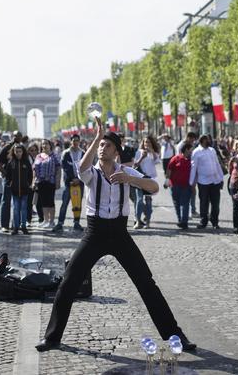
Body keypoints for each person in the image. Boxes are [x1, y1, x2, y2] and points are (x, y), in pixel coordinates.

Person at [36, 118, 196, 353]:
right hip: (95, 232)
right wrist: (97, 137)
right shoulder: (91, 173)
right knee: (68, 282)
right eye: (101, 145)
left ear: (117, 152)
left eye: (107, 145)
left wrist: (129, 179)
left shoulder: (126, 171)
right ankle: (52, 338)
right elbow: (81, 168)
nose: (103, 148)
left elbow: (154, 187)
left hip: (120, 234)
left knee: (147, 284)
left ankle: (176, 336)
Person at [190, 135, 225, 230]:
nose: (209, 141)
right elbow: (194, 168)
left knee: (215, 203)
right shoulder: (196, 152)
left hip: (215, 181)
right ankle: (203, 221)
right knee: (204, 203)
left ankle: (215, 222)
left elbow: (217, 164)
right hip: (203, 182)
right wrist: (191, 182)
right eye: (207, 140)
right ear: (202, 141)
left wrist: (221, 177)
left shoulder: (212, 150)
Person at [54, 134, 85, 232]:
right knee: (64, 204)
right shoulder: (66, 153)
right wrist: (73, 178)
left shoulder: (83, 153)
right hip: (69, 183)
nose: (75, 142)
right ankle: (60, 223)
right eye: (74, 140)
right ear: (71, 141)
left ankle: (77, 222)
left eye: (77, 140)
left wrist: (79, 179)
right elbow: (65, 167)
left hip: (80, 182)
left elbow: (86, 167)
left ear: (79, 141)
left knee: (78, 203)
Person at [0, 132, 23, 232]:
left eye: (19, 136)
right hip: (9, 179)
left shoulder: (22, 148)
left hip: (20, 179)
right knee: (6, 201)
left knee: (18, 202)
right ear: (12, 136)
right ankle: (4, 225)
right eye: (15, 136)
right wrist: (6, 173)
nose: (17, 138)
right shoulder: (7, 147)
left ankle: (16, 224)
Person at [132, 135, 160, 229]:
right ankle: (138, 221)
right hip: (140, 178)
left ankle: (147, 221)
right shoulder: (139, 152)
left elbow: (157, 162)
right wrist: (142, 157)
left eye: (148, 142)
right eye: (145, 142)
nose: (146, 144)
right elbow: (135, 165)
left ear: (151, 143)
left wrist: (152, 152)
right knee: (139, 200)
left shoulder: (154, 153)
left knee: (148, 201)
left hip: (150, 179)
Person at [4, 143, 33, 235]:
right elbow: (7, 175)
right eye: (16, 151)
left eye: (20, 151)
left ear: (23, 152)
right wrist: (10, 183)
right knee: (16, 209)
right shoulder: (11, 162)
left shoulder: (26, 162)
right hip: (15, 190)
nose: (18, 153)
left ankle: (23, 227)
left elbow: (30, 175)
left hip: (25, 190)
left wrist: (28, 184)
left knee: (24, 209)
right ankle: (16, 227)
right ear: (14, 151)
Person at [33, 139, 61, 229]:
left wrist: (58, 181)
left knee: (50, 202)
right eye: (43, 144)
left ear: (50, 145)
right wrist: (34, 181)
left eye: (46, 144)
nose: (44, 145)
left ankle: (52, 221)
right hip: (40, 182)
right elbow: (34, 169)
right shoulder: (38, 156)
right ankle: (45, 220)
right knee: (43, 202)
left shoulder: (54, 156)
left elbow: (58, 169)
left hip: (50, 182)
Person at [165, 142, 193, 229]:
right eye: (191, 150)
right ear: (186, 149)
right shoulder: (175, 158)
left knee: (185, 204)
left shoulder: (193, 160)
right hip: (174, 186)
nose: (192, 152)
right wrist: (167, 181)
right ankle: (180, 219)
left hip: (186, 186)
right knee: (177, 203)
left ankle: (184, 222)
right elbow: (169, 170)